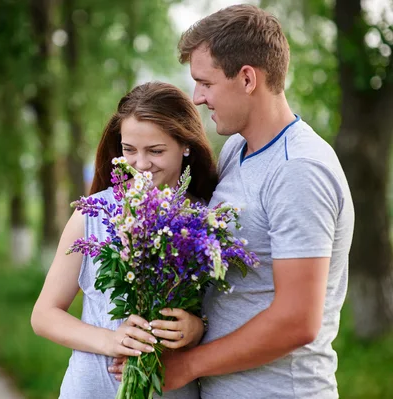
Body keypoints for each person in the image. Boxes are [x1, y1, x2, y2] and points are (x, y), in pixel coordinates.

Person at [113, 5, 353, 399]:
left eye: (205, 83)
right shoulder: (237, 149)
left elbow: (298, 321)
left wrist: (188, 365)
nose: (198, 97)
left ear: (246, 79)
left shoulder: (298, 169)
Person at [31, 81, 218, 398]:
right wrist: (111, 340)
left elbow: (225, 311)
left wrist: (197, 328)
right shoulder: (93, 214)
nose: (141, 165)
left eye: (155, 151)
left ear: (186, 145)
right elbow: (44, 316)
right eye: (129, 150)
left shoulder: (206, 220)